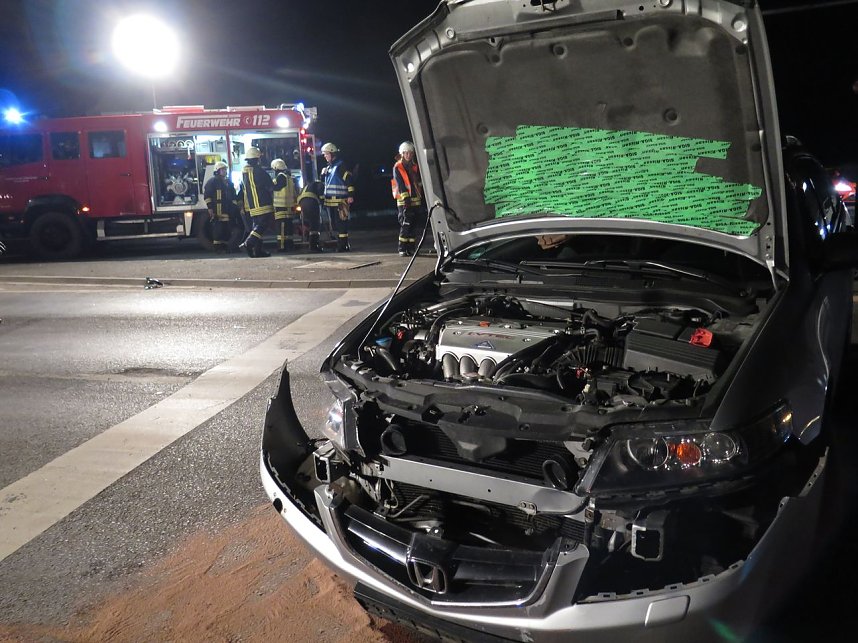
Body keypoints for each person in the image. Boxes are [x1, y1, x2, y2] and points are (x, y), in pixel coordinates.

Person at [239, 147, 274, 258]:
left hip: (252, 206)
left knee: (257, 228)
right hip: (263, 203)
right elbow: (270, 186)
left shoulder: (245, 172)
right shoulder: (259, 171)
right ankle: (248, 243)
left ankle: (258, 251)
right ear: (257, 159)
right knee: (262, 226)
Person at [320, 142, 355, 252]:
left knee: (341, 224)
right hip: (331, 202)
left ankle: (343, 246)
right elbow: (325, 184)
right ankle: (343, 244)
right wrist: (322, 174)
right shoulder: (329, 168)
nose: (325, 156)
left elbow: (349, 180)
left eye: (326, 154)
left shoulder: (340, 166)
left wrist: (350, 195)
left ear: (332, 154)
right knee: (336, 225)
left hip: (340, 201)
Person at [391, 141, 424, 256]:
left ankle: (411, 249)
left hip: (415, 200)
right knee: (406, 224)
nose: (409, 155)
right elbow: (400, 184)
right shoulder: (398, 167)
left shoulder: (414, 166)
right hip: (404, 201)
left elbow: (418, 183)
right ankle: (402, 249)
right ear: (402, 154)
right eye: (406, 153)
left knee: (414, 225)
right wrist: (406, 199)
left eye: (410, 153)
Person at [203, 161, 238, 254]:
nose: (225, 171)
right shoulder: (212, 182)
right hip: (217, 211)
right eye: (223, 169)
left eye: (225, 169)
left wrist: (234, 208)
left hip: (228, 211)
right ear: (217, 171)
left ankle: (225, 247)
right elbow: (207, 196)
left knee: (227, 231)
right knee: (218, 231)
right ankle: (217, 248)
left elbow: (233, 195)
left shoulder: (228, 182)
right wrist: (210, 208)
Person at [271, 158, 298, 252]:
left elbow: (275, 188)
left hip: (281, 207)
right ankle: (290, 245)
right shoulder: (289, 177)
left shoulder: (280, 177)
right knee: (288, 228)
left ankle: (281, 246)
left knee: (281, 228)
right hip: (289, 207)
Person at [297, 180, 324, 252]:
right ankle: (313, 246)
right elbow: (321, 194)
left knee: (307, 221)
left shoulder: (308, 185)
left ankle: (307, 237)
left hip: (302, 202)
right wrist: (323, 202)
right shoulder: (320, 184)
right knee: (315, 223)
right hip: (311, 202)